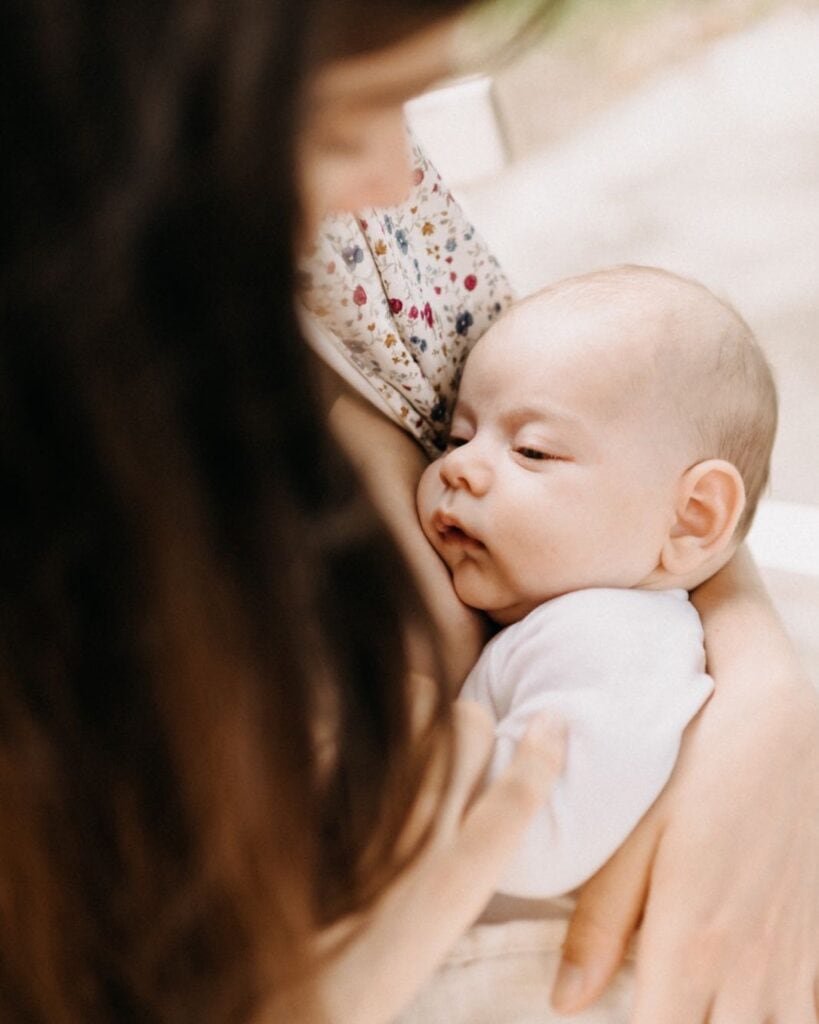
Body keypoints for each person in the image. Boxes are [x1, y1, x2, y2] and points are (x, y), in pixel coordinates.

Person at [2, 3, 818, 1024]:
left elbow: (641, 459)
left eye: (411, 107)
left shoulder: (374, 239)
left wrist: (761, 697)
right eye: (344, 122)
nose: (396, 178)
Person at [417, 264, 776, 905]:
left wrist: (404, 747)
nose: (460, 467)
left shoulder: (609, 640)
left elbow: (532, 841)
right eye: (458, 436)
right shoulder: (597, 628)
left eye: (532, 451)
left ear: (693, 517)